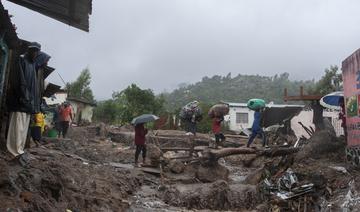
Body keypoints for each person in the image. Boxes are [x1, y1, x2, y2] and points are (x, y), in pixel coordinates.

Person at [6, 42, 41, 157]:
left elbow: (34, 88)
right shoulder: (21, 60)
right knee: (17, 128)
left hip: (27, 104)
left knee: (23, 129)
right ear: (29, 50)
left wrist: (33, 104)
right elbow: (19, 82)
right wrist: (24, 97)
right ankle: (13, 151)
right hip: (20, 101)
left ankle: (19, 150)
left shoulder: (32, 65)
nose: (35, 53)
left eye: (37, 51)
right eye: (33, 50)